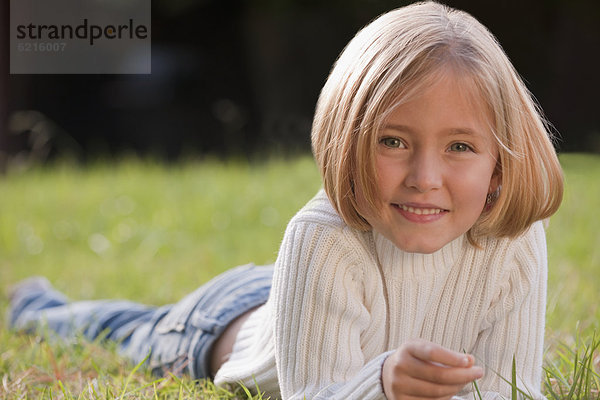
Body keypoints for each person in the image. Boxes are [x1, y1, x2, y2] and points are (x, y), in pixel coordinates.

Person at [8, 2, 564, 399]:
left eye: (460, 147)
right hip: (221, 323)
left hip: (291, 290)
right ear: (347, 138)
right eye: (392, 141)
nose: (424, 176)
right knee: (128, 330)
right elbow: (313, 394)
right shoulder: (321, 237)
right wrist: (384, 382)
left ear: (500, 162)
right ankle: (39, 308)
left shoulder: (514, 240)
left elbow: (509, 390)